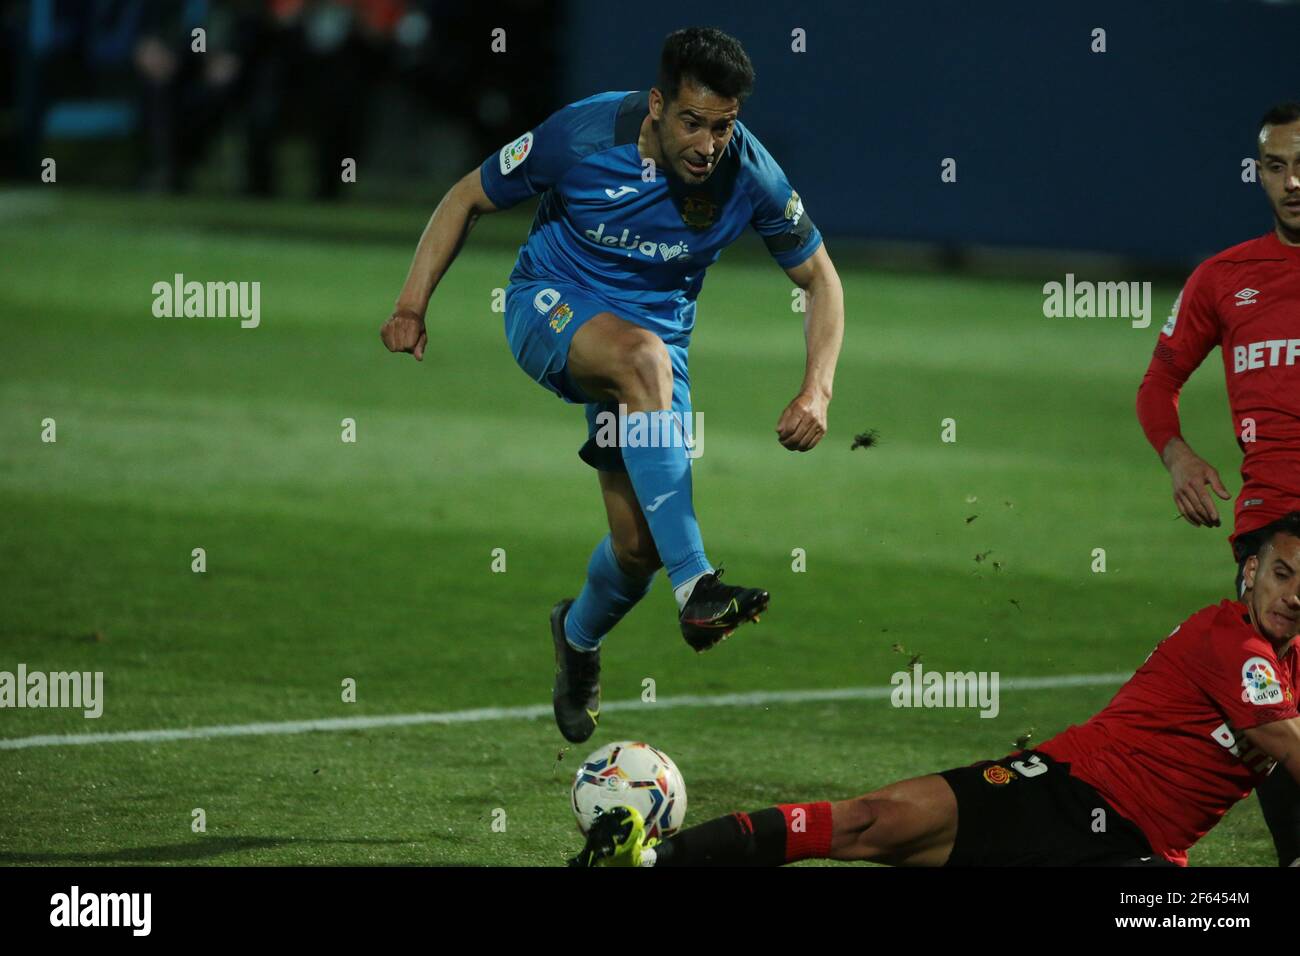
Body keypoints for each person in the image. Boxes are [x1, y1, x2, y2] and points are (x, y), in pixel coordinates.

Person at [380, 28, 844, 744]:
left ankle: (579, 636)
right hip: (550, 308)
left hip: (651, 360)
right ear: (657, 106)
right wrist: (412, 304)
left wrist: (817, 390)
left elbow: (820, 279)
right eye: (692, 122)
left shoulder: (748, 173)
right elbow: (466, 197)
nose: (707, 144)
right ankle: (699, 588)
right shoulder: (584, 133)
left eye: (723, 127)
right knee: (644, 360)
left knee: (636, 549)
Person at [572, 513, 1300, 867]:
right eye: (1281, 573)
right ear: (1250, 573)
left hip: (1143, 848)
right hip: (1064, 788)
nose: (1291, 595)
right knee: (868, 821)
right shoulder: (1228, 639)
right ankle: (647, 861)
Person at [1136, 101, 1300, 866]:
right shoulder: (1224, 277)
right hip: (1269, 522)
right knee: (1274, 700)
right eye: (1275, 166)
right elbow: (1158, 384)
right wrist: (1177, 456)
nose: (1293, 182)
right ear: (1258, 172)